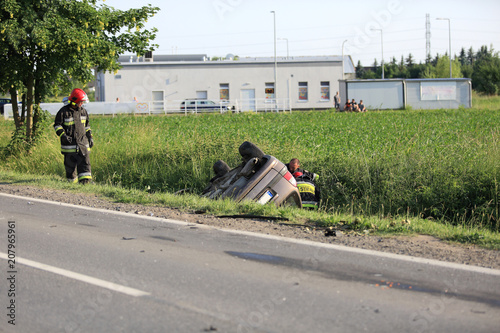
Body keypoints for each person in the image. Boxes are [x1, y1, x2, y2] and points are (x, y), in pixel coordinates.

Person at [53, 88, 94, 184]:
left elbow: (87, 126)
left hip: (83, 144)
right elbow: (57, 125)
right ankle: (72, 185)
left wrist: (90, 137)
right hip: (69, 145)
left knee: (85, 163)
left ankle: (86, 182)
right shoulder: (63, 112)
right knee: (70, 167)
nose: (82, 104)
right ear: (75, 101)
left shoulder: (83, 111)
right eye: (80, 102)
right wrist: (63, 135)